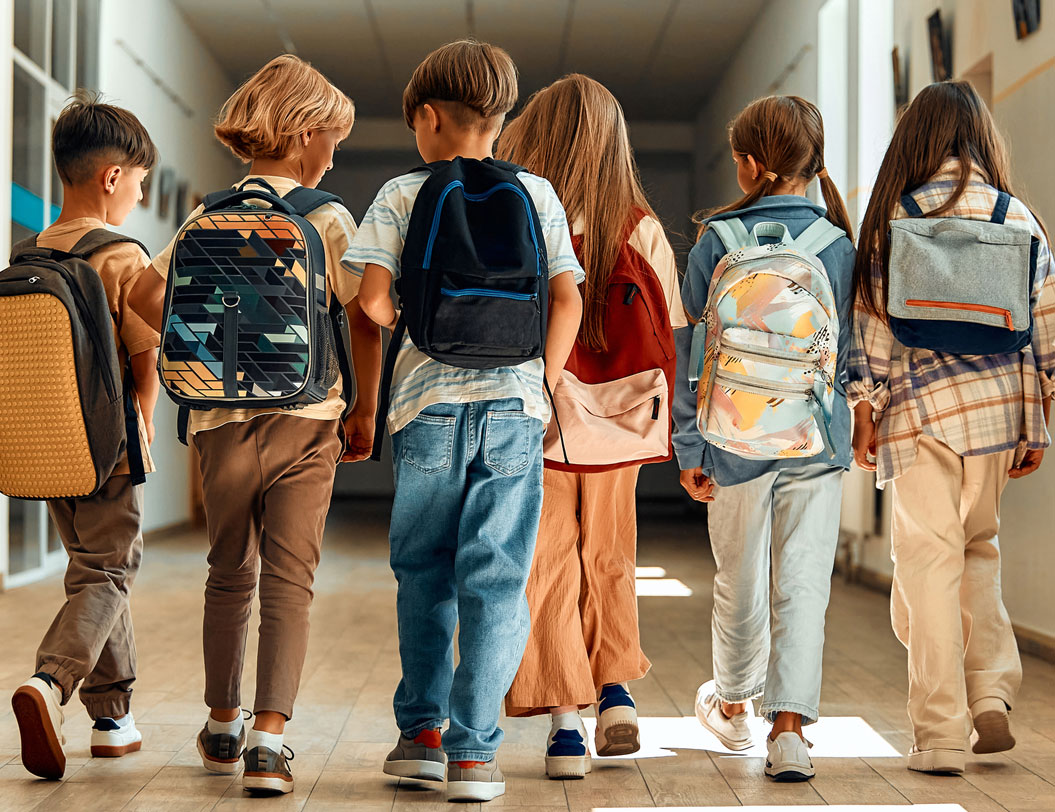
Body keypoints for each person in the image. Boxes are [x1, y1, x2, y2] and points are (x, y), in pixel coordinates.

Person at [127, 54, 381, 795]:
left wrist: (204, 352)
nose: (334, 153)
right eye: (331, 138)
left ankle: (221, 723)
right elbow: (363, 311)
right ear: (305, 135)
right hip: (306, 419)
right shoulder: (327, 217)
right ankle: (269, 742)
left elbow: (144, 294)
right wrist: (363, 407)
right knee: (290, 581)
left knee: (227, 574)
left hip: (216, 424)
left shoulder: (208, 213)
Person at [343, 40, 584, 802]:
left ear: (426, 116)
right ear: (500, 118)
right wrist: (539, 382)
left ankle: (418, 735)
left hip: (427, 407)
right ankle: (474, 754)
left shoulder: (401, 192)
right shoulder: (537, 193)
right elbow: (568, 299)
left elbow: (371, 302)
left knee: (424, 571)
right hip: (514, 406)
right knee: (498, 577)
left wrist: (414, 319)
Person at [848, 80, 1054, 775]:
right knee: (978, 549)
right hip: (998, 411)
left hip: (916, 411)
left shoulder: (891, 220)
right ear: (981, 139)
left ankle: (938, 733)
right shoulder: (1015, 216)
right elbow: (1044, 327)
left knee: (926, 564)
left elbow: (870, 329)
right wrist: (1039, 418)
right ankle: (990, 691)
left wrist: (862, 409)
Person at [496, 74, 684, 779]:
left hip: (537, 414)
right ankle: (616, 694)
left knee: (544, 563)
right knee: (609, 552)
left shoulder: (522, 214)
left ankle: (564, 725)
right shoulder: (639, 225)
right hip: (618, 419)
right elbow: (670, 331)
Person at [673, 95, 856, 781]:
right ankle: (789, 731)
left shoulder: (716, 240)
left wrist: (689, 449)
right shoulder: (838, 245)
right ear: (813, 162)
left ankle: (733, 705)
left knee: (738, 578)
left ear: (748, 164)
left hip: (733, 439)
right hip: (816, 438)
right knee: (803, 583)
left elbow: (691, 352)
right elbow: (853, 354)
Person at [11, 93, 159, 779]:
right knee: (110, 568)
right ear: (111, 177)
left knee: (95, 569)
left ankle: (113, 719)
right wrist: (147, 421)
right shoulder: (121, 255)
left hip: (42, 443)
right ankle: (50, 682)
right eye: (139, 180)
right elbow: (143, 354)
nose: (139, 192)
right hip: (106, 445)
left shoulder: (27, 253)